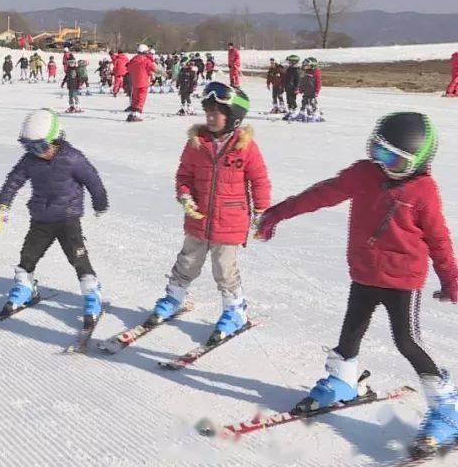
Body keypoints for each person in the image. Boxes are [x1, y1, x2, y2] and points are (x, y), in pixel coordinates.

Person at [255, 112, 457, 455]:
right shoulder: (365, 174)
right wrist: (279, 212)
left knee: (407, 341)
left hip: (401, 281)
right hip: (364, 273)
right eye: (377, 151)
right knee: (351, 333)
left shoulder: (423, 191)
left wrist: (451, 280)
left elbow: (438, 240)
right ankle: (342, 382)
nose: (381, 162)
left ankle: (446, 408)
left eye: (391, 158)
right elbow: (322, 194)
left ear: (416, 162)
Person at [147, 82, 271, 343]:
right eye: (208, 112)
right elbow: (184, 175)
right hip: (198, 217)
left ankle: (235, 310)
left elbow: (259, 179)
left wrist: (262, 211)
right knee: (187, 261)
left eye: (217, 113)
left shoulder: (245, 146)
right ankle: (174, 297)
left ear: (234, 117)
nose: (211, 118)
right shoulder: (197, 143)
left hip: (231, 220)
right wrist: (184, 195)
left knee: (224, 269)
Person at [0, 109, 108, 322]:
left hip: (68, 218)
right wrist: (2, 205)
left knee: (78, 257)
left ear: (57, 139)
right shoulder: (30, 160)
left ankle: (92, 292)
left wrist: (100, 203)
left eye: (42, 146)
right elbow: (13, 181)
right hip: (41, 218)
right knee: (28, 254)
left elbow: (93, 181)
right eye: (29, 147)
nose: (37, 152)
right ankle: (26, 286)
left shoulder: (73, 159)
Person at [126, 44, 156, 122]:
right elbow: (153, 68)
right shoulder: (146, 60)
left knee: (135, 98)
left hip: (135, 82)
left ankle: (132, 113)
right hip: (144, 82)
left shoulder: (133, 59)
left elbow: (128, 68)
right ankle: (136, 114)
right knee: (141, 99)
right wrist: (164, 73)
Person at [282, 55, 302, 120]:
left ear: (293, 62)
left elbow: (298, 80)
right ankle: (290, 111)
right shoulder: (289, 69)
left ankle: (294, 111)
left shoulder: (297, 70)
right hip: (288, 88)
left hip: (293, 89)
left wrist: (297, 88)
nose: (288, 63)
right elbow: (286, 78)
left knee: (292, 100)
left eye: (289, 62)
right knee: (288, 100)